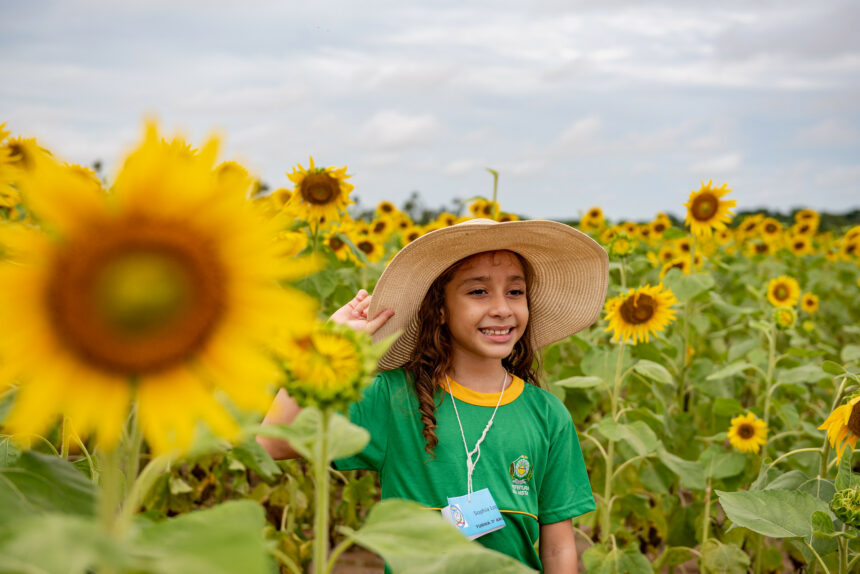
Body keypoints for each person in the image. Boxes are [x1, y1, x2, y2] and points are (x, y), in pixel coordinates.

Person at [258, 218, 608, 573]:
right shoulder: (395, 399)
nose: (502, 308)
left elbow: (558, 548)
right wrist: (324, 347)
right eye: (479, 292)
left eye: (515, 292)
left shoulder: (546, 413)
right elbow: (275, 442)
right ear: (439, 308)